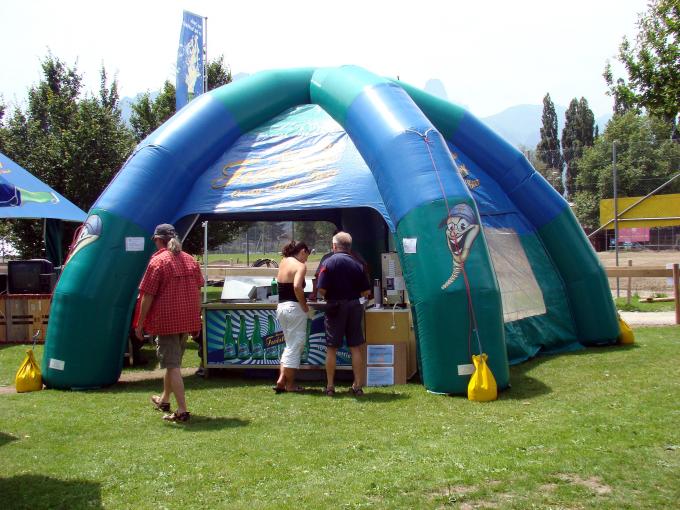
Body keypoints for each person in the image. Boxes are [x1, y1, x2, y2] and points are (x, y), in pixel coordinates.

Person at [135, 223, 203, 422]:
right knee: (172, 363)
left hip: (166, 322)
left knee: (172, 366)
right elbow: (198, 291)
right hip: (186, 320)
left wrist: (140, 323)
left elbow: (147, 295)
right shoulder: (190, 260)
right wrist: (196, 319)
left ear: (158, 240)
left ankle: (182, 410)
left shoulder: (158, 262)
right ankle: (164, 400)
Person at [316, 231, 371, 397]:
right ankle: (357, 386)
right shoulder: (358, 264)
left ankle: (330, 386)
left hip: (334, 307)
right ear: (349, 247)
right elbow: (366, 292)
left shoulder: (328, 262)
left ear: (334, 246)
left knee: (332, 348)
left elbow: (321, 289)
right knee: (355, 347)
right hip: (354, 306)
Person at [273, 240, 311, 393]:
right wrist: (304, 305)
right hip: (294, 308)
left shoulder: (283, 262)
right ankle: (290, 385)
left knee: (290, 345)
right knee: (295, 346)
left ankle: (282, 379)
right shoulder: (300, 266)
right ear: (302, 251)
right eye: (307, 256)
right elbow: (296, 286)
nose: (306, 260)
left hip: (281, 307)